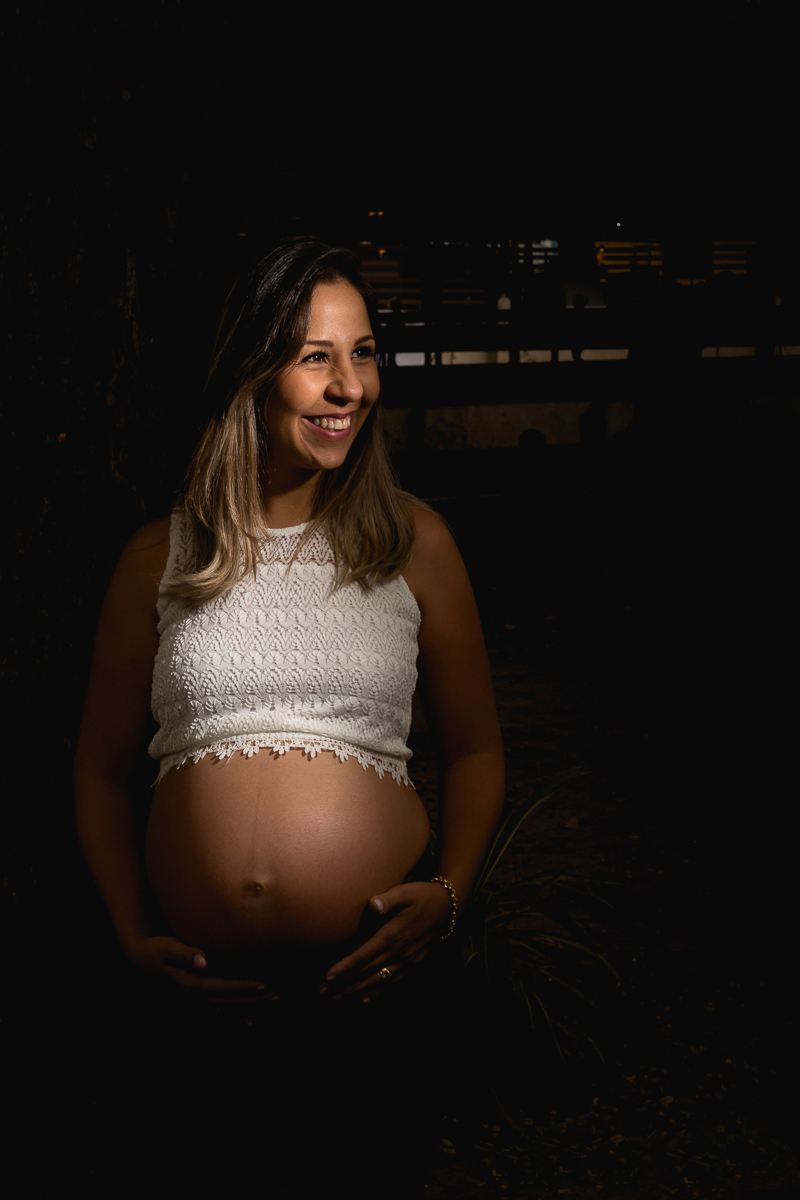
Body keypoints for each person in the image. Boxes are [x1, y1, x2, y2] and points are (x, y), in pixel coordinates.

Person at [73, 235, 505, 1197]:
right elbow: (99, 772)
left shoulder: (414, 544)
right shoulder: (164, 555)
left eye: (362, 352)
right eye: (316, 356)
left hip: (369, 998)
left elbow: (475, 752)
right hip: (202, 1006)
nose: (349, 385)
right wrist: (128, 936)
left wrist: (450, 893)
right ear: (251, 368)